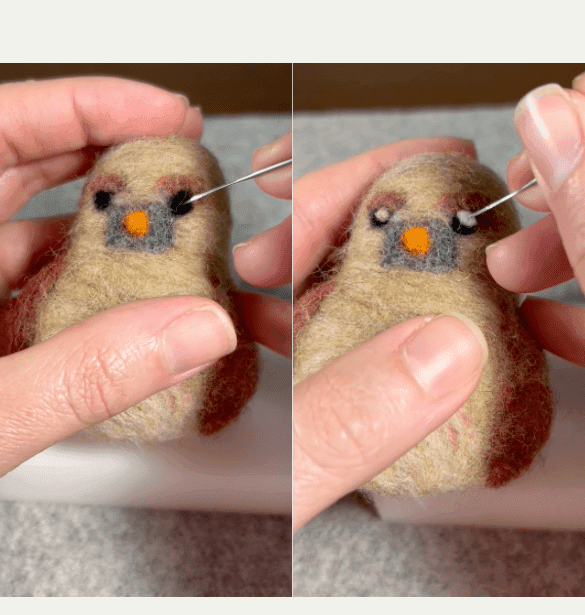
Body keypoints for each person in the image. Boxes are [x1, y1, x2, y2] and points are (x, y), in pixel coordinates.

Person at [293, 78, 585, 531]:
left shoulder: (496, 317)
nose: (415, 237)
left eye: (462, 224)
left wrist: (507, 446)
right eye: (385, 218)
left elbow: (525, 386)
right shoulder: (338, 297)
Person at [0, 76, 291, 478]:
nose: (136, 220)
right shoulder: (66, 276)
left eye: (179, 203)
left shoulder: (205, 285)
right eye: (106, 200)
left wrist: (223, 396)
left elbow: (236, 360)